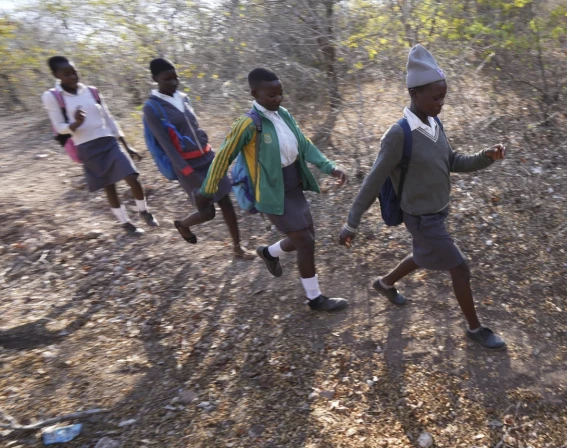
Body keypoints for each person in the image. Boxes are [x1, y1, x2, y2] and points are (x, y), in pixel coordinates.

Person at [338, 45, 507, 350]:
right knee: (459, 267)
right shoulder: (399, 134)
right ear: (414, 94)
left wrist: (486, 157)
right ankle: (474, 328)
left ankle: (384, 283)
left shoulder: (434, 123)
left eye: (443, 96)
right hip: (420, 217)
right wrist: (351, 223)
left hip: (438, 212)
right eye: (435, 97)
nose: (441, 103)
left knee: (422, 256)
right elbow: (373, 181)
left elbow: (452, 161)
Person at [200, 68, 349, 311]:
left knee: (305, 237)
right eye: (272, 96)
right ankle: (315, 298)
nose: (278, 99)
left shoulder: (284, 115)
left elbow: (304, 144)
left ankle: (269, 252)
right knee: (305, 241)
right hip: (269, 190)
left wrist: (330, 167)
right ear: (255, 93)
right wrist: (207, 191)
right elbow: (223, 157)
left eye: (280, 94)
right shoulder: (248, 124)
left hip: (293, 185)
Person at [142, 57, 253, 259]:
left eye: (176, 78)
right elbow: (167, 147)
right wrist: (188, 173)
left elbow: (194, 127)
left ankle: (238, 248)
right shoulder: (152, 108)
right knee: (207, 212)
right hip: (186, 166)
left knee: (226, 201)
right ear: (155, 78)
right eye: (168, 79)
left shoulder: (184, 98)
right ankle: (182, 225)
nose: (174, 83)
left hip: (207, 158)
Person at [42, 56, 158, 235]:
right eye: (67, 74)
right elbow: (59, 127)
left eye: (74, 72)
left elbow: (109, 117)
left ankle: (144, 212)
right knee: (109, 186)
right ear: (56, 75)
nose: (73, 77)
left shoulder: (91, 91)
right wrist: (75, 124)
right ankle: (126, 224)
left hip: (108, 141)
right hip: (86, 146)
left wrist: (126, 145)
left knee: (132, 177)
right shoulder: (52, 97)